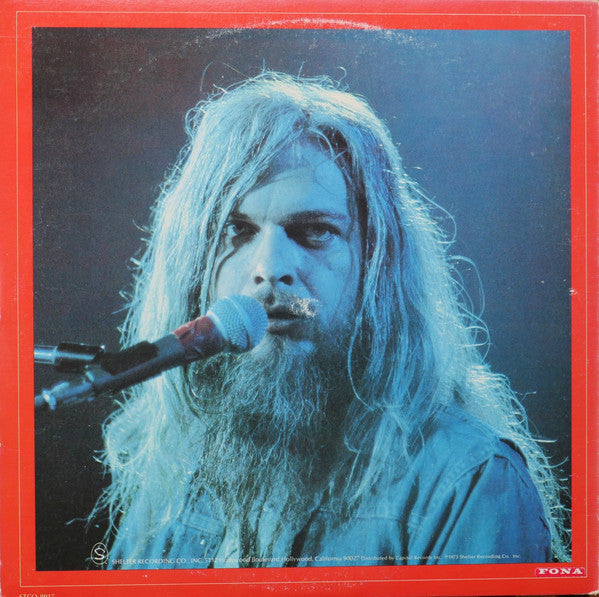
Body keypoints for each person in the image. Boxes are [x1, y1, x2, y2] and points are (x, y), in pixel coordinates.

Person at [96, 72, 568, 568]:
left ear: (378, 265)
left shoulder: (467, 480)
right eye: (237, 230)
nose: (269, 269)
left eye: (315, 231)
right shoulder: (175, 475)